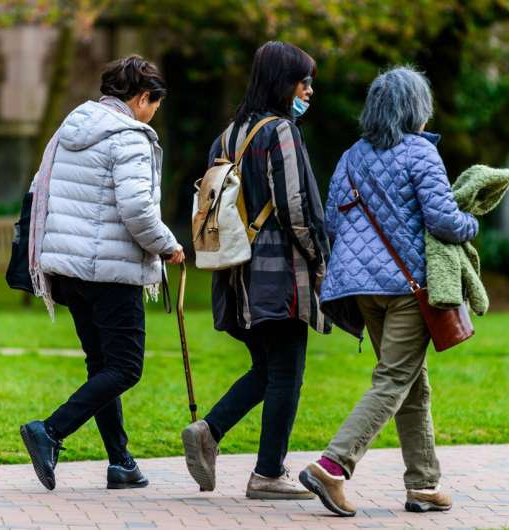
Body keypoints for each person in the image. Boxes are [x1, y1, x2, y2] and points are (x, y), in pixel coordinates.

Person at [297, 66, 479, 516]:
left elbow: (335, 224)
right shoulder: (421, 153)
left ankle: (424, 484)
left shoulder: (351, 156)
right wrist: (471, 223)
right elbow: (443, 220)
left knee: (411, 383)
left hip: (359, 288)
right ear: (417, 108)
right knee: (395, 378)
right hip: (407, 288)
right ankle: (333, 465)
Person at [20, 55, 185, 491]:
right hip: (110, 272)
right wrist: (168, 245)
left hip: (69, 270)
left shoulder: (71, 128)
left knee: (103, 368)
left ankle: (121, 463)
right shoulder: (129, 136)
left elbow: (41, 189)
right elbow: (137, 208)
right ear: (142, 97)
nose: (153, 113)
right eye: (154, 104)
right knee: (126, 368)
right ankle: (50, 431)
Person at [181, 41, 330, 500]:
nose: (309, 90)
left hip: (235, 272)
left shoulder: (226, 136)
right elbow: (296, 208)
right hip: (278, 272)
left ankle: (209, 430)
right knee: (287, 371)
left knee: (267, 367)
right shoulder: (280, 131)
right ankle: (267, 473)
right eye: (303, 81)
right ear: (283, 84)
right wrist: (320, 259)